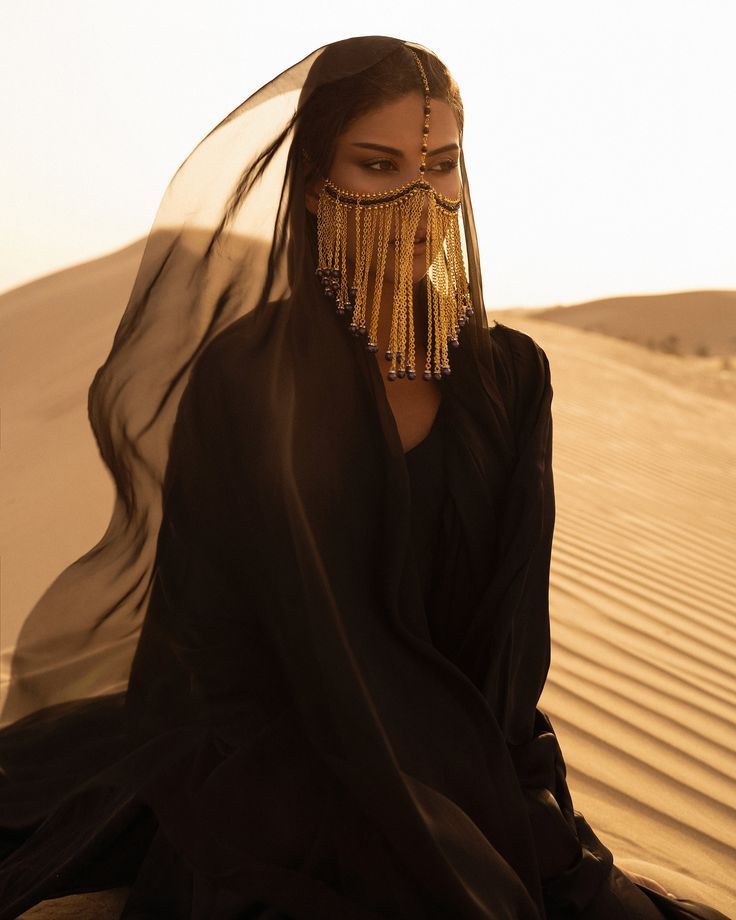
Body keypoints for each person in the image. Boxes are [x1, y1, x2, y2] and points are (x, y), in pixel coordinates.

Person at [0, 35, 729, 920]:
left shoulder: (511, 376)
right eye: (379, 166)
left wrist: (484, 791)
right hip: (278, 775)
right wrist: (329, 795)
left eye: (444, 165)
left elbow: (508, 638)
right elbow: (210, 638)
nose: (422, 197)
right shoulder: (248, 375)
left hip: (462, 765)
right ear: (316, 187)